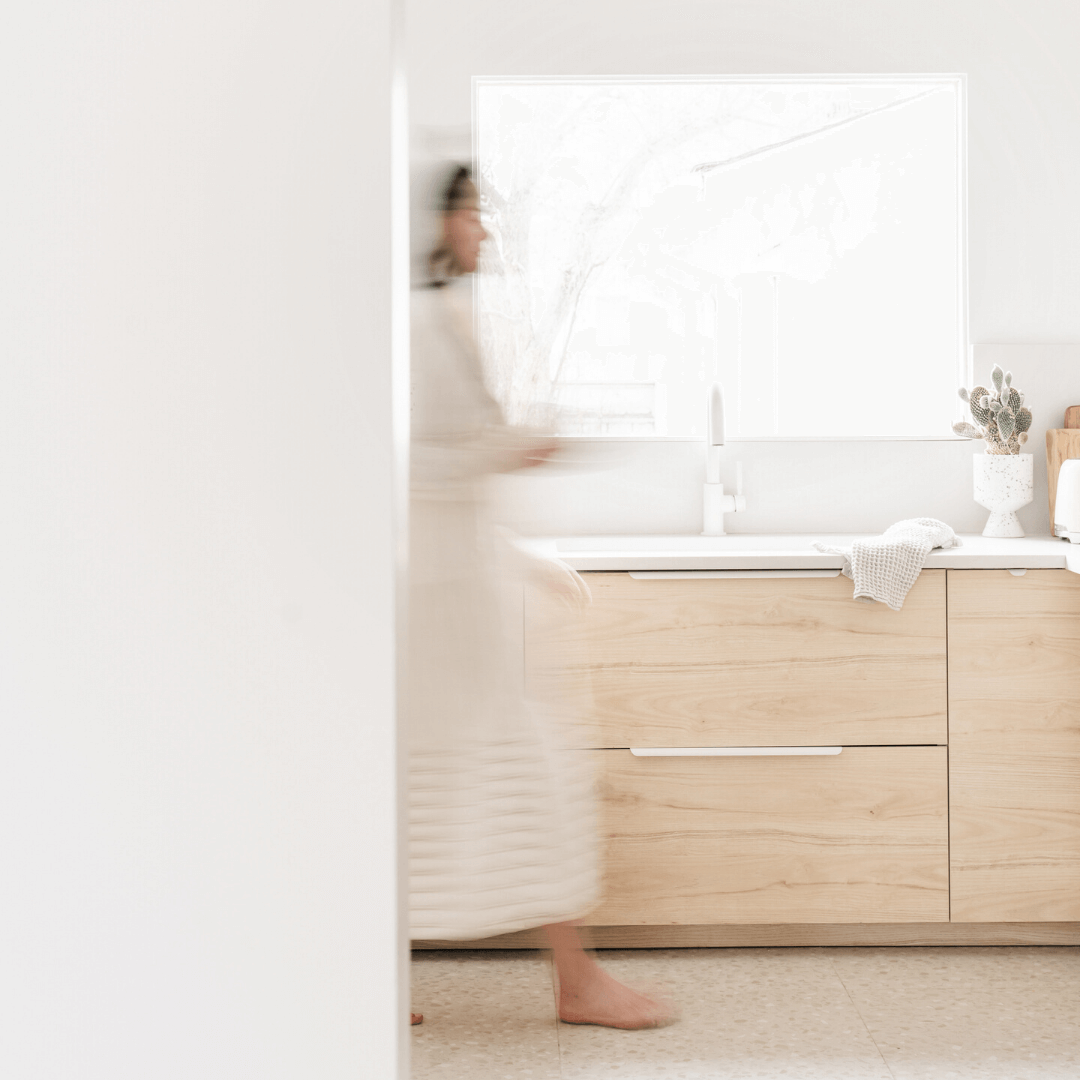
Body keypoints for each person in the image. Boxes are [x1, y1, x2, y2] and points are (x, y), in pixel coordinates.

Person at [407, 163, 673, 1030]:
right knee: (516, 777)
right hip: (438, 604)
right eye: (469, 213)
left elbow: (448, 467)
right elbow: (406, 463)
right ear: (430, 220)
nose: (483, 230)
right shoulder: (412, 324)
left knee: (446, 780)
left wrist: (517, 555)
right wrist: (510, 450)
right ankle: (576, 981)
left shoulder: (436, 316)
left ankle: (562, 977)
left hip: (458, 584)